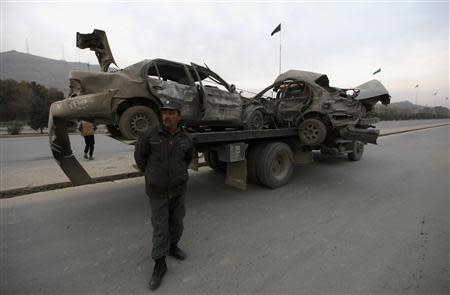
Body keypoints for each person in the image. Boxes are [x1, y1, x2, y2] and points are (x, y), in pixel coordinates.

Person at [134, 100, 194, 291]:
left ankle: (173, 246)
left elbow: (188, 158)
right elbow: (140, 157)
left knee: (177, 222)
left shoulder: (185, 138)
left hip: (178, 189)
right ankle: (160, 264)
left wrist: (178, 175)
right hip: (157, 190)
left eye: (171, 112)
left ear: (179, 116)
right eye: (164, 112)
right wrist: (152, 175)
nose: (166, 116)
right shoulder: (150, 135)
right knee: (160, 228)